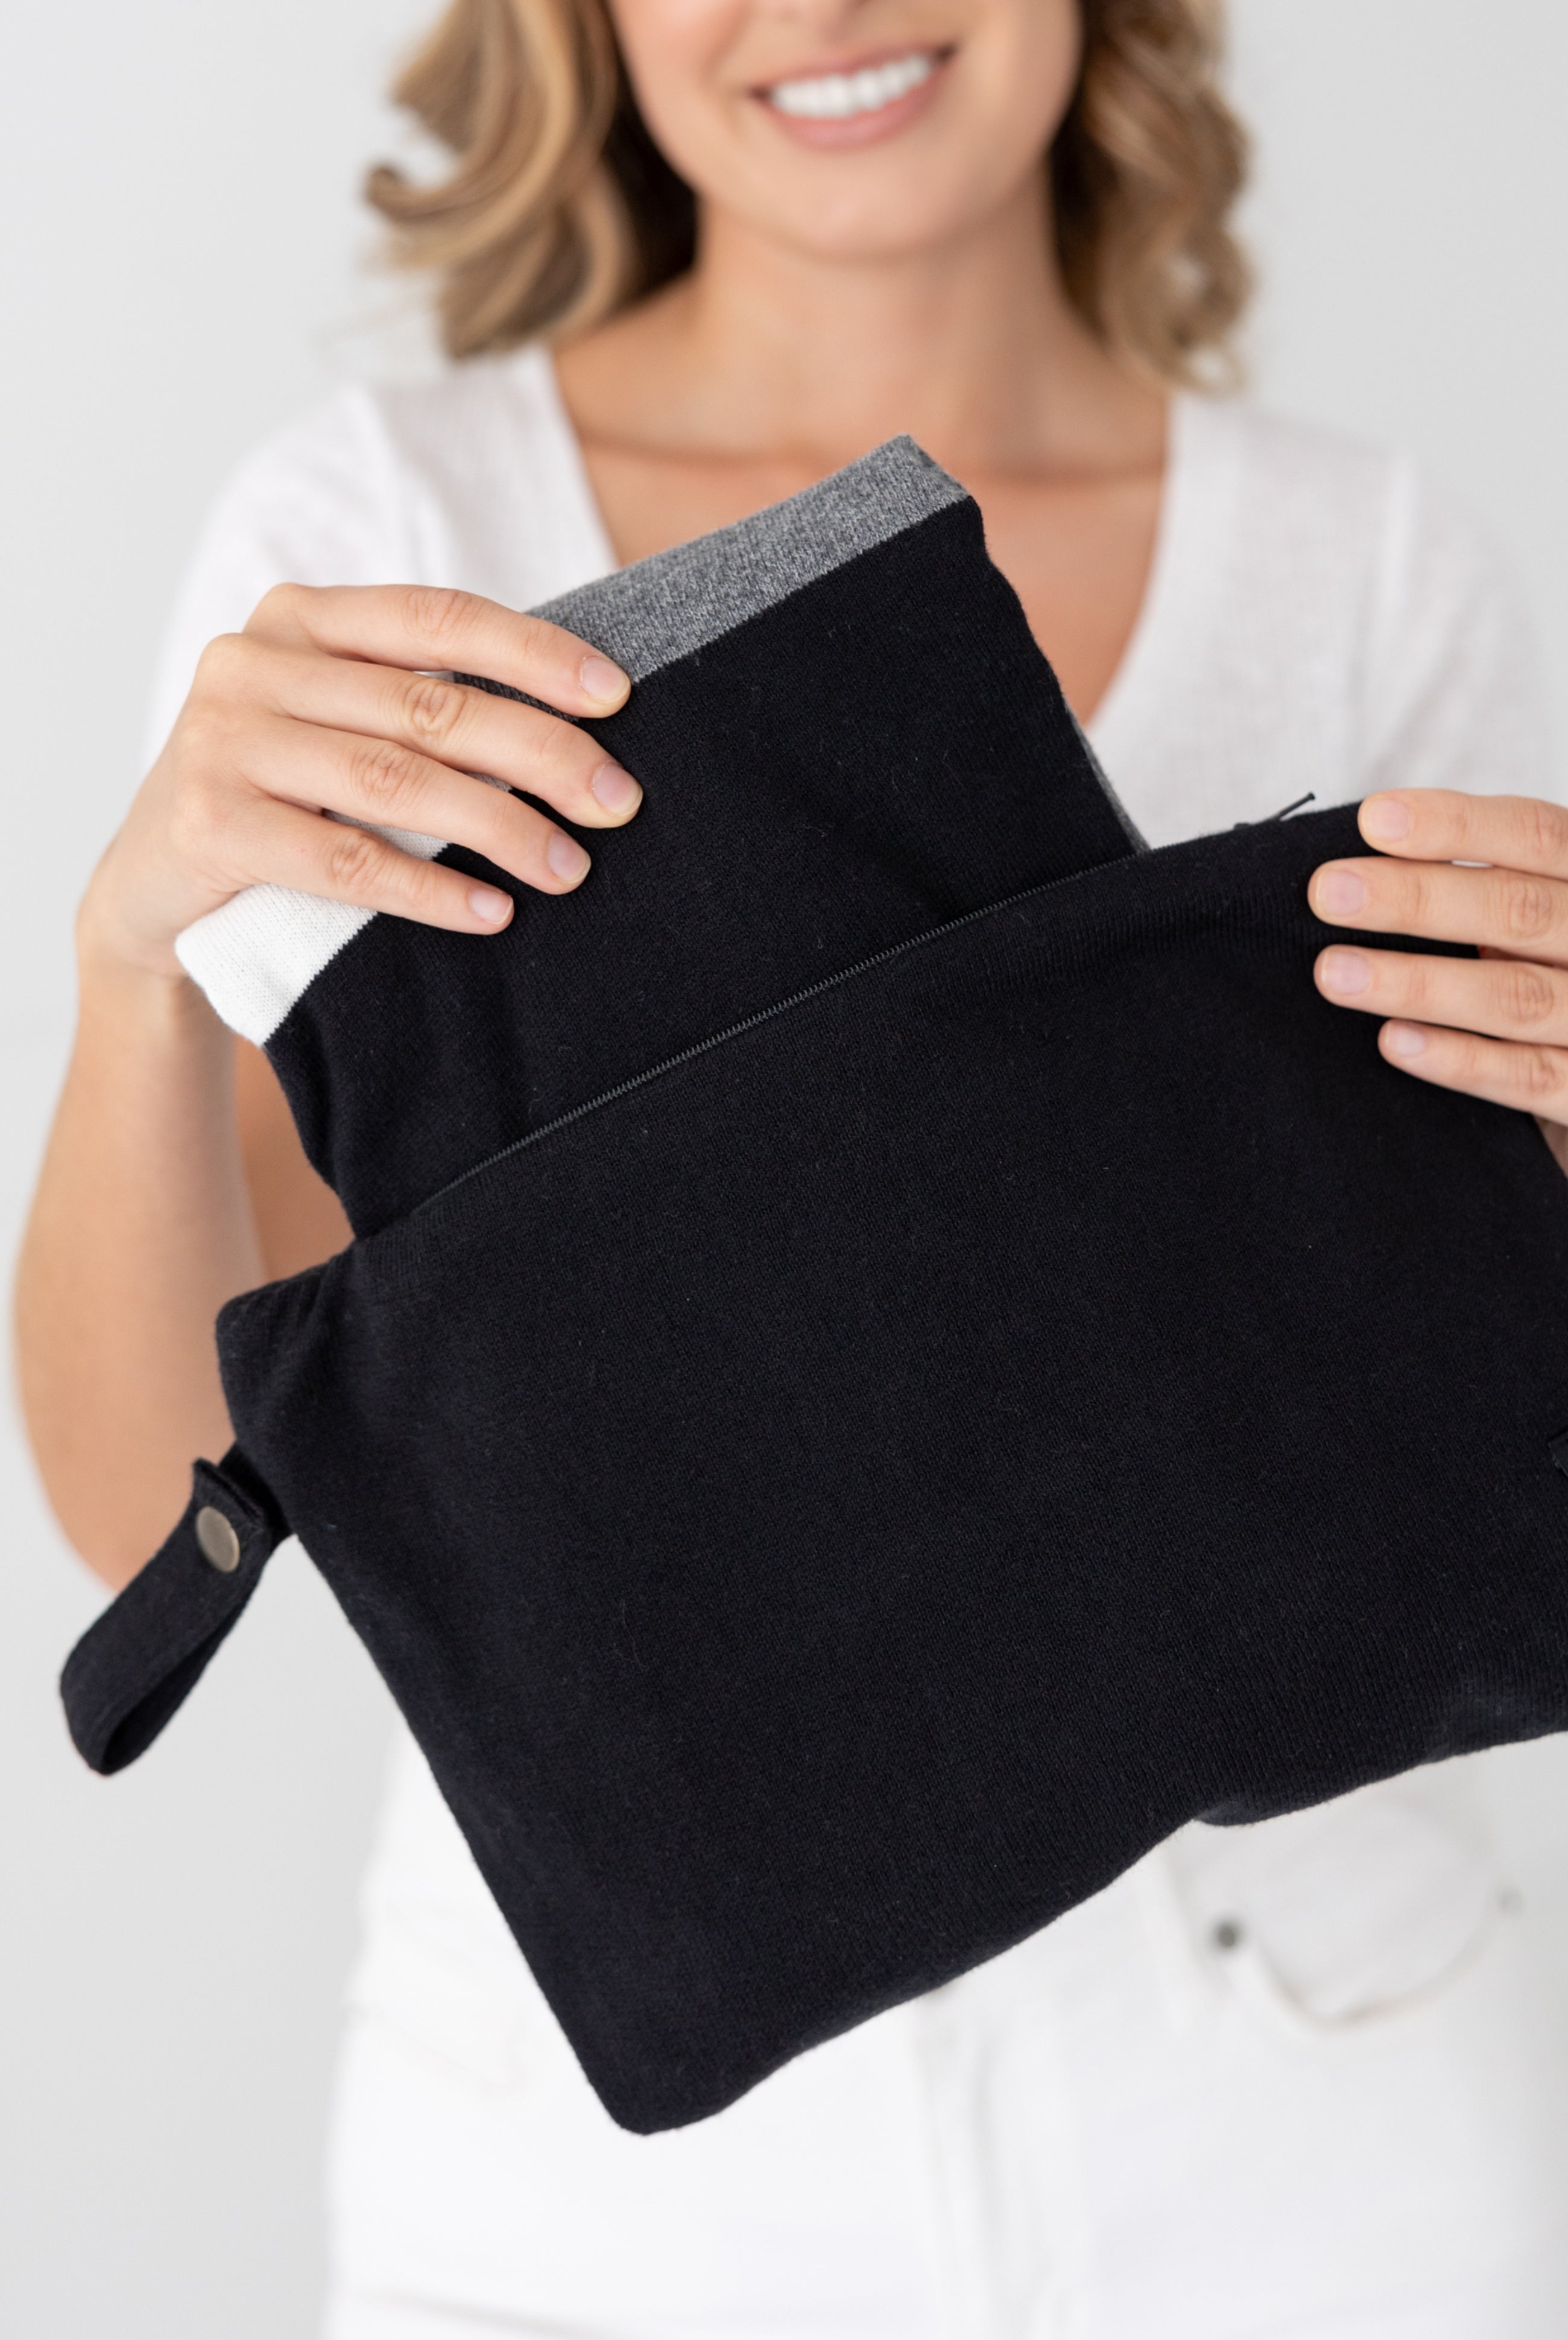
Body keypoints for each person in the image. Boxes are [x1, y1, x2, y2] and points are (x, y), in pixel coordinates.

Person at [17, 0, 1568, 2329]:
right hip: (582, 2210)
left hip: (1309, 2102)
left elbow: (1476, 1419)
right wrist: (133, 975)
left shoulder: (1366, 556)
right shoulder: (372, 545)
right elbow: (154, 1509)